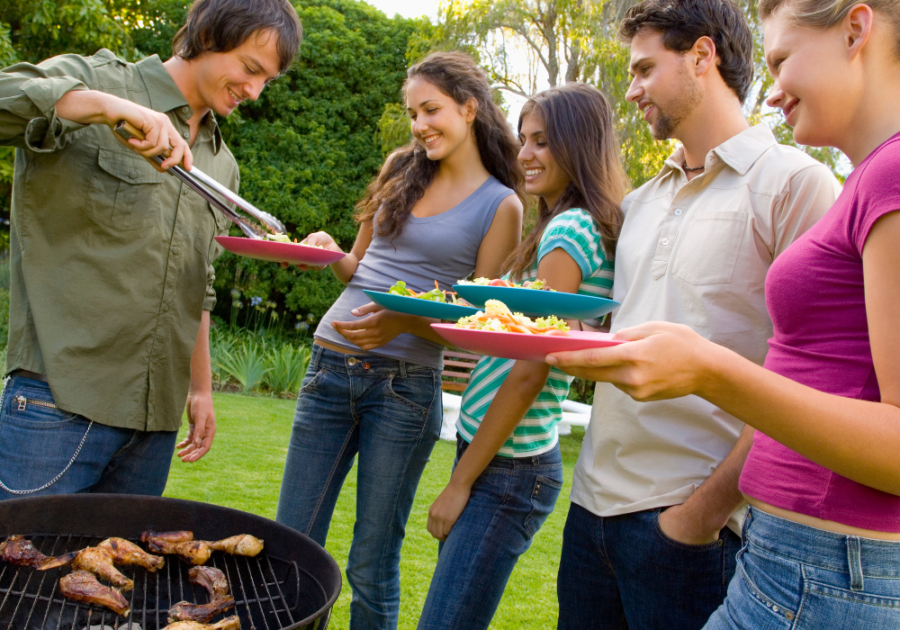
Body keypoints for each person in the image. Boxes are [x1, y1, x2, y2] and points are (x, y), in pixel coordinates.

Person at [550, 0, 900, 627]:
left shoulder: (806, 181)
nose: (631, 92)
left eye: (783, 60)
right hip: (605, 510)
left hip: (733, 538)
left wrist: (697, 517)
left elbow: (804, 378)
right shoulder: (640, 201)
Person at [0, 0, 302, 500]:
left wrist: (200, 388)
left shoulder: (220, 166)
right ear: (208, 34)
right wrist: (105, 107)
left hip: (151, 426)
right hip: (58, 404)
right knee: (21, 578)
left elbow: (195, 281)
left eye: (267, 79)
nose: (254, 91)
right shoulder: (99, 81)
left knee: (120, 577)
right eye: (250, 69)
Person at [275, 51, 524, 630]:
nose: (420, 125)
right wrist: (329, 253)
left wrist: (401, 324)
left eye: (431, 110)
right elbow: (359, 267)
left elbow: (477, 321)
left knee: (373, 559)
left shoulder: (501, 205)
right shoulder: (399, 168)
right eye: (413, 113)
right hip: (330, 366)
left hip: (404, 389)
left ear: (469, 108)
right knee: (292, 539)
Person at [416, 83, 627, 630]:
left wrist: (461, 480)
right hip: (497, 453)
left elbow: (533, 368)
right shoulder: (567, 224)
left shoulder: (569, 229)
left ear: (577, 146)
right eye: (523, 140)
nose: (524, 155)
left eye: (541, 142)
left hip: (507, 466)